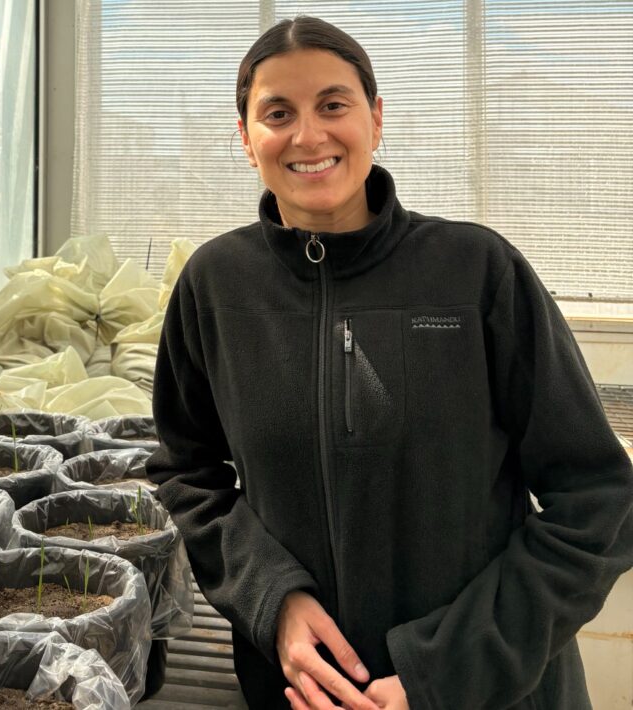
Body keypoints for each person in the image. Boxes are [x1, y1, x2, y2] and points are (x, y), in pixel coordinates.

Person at [146, 15, 633, 710]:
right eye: (277, 113)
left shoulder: (476, 273)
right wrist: (271, 601)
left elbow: (601, 500)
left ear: (376, 119)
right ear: (246, 138)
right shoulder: (217, 286)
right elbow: (186, 473)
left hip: (489, 693)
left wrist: (441, 672)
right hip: (303, 693)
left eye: (334, 105)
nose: (309, 135)